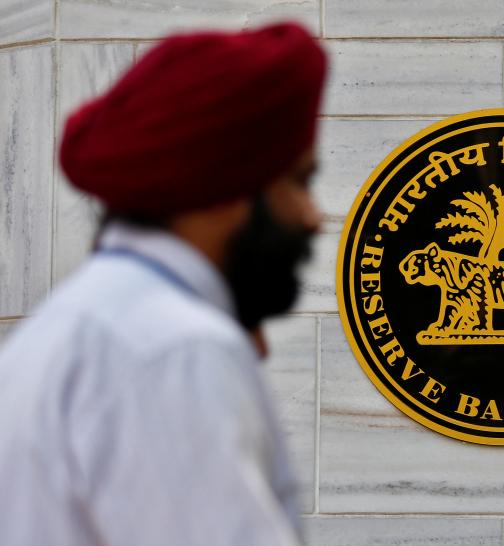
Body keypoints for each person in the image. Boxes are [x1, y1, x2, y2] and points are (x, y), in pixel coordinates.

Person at [0, 22, 326, 546]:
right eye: (299, 182)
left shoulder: (71, 327)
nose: (314, 217)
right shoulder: (172, 350)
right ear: (227, 190)